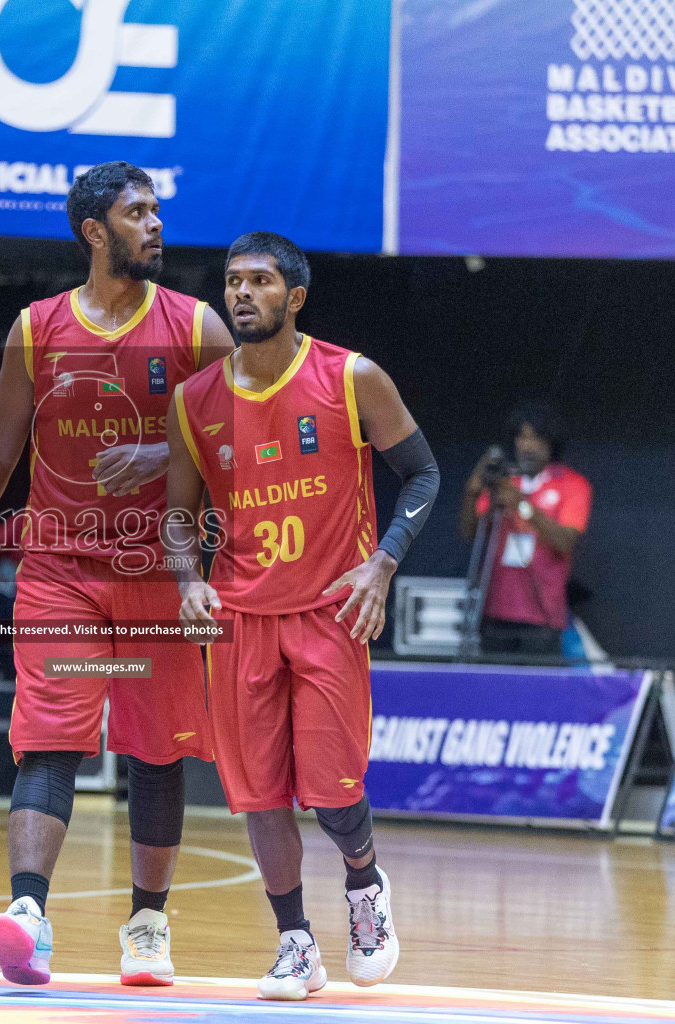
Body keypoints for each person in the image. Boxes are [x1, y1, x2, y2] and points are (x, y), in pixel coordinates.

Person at [0, 162, 236, 986]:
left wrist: (160, 450)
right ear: (93, 231)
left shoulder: (197, 326)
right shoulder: (37, 328)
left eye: (157, 210)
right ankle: (28, 915)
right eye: (137, 212)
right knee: (51, 737)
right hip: (60, 570)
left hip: (156, 575)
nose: (156, 224)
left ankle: (148, 924)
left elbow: (246, 438)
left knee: (155, 751)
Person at [164, 232, 439, 999]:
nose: (243, 293)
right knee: (258, 795)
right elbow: (177, 517)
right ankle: (295, 943)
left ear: (296, 296)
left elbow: (421, 473)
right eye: (233, 280)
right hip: (241, 620)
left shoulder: (351, 378)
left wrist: (383, 562)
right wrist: (188, 581)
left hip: (329, 612)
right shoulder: (195, 400)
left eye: (259, 280)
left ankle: (365, 885)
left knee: (333, 792)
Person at [458, 402, 591, 658]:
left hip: (543, 617)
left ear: (550, 442)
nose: (526, 445)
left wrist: (522, 505)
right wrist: (472, 492)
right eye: (522, 437)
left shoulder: (573, 484)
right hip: (495, 615)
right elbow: (470, 534)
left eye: (535, 438)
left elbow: (565, 542)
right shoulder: (504, 482)